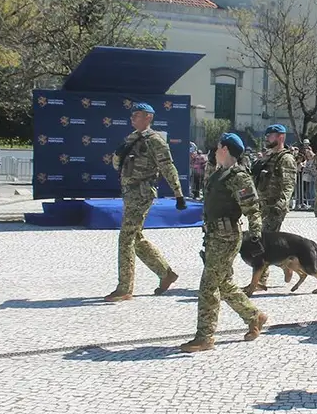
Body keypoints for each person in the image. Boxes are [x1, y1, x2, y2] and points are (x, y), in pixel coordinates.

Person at [179, 133, 268, 352]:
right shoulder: (220, 173)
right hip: (213, 237)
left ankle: (205, 336)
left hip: (226, 238)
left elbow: (253, 207)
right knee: (224, 283)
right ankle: (254, 316)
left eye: (217, 147)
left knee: (208, 285)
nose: (214, 151)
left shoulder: (239, 176)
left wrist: (256, 234)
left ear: (225, 149)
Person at [104, 103, 186, 302]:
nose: (133, 119)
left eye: (137, 115)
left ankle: (125, 287)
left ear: (148, 118)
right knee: (135, 237)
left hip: (141, 194)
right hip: (129, 192)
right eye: (132, 116)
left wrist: (178, 194)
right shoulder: (132, 138)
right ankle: (165, 273)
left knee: (126, 238)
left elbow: (168, 168)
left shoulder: (155, 141)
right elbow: (118, 163)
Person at [251, 124, 298, 289]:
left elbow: (288, 185)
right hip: (262, 206)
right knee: (262, 241)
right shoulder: (268, 157)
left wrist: (281, 204)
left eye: (270, 135)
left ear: (281, 137)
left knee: (263, 243)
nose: (267, 138)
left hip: (275, 208)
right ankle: (287, 264)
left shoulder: (286, 159)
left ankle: (260, 281)